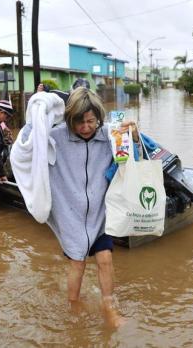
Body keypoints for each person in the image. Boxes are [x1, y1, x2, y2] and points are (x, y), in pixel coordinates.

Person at [45, 87, 135, 327]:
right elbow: (26, 148)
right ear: (69, 120)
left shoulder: (110, 134)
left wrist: (132, 136)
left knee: (105, 258)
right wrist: (39, 110)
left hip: (100, 212)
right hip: (70, 214)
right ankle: (73, 304)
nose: (85, 128)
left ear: (99, 118)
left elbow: (130, 157)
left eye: (91, 121)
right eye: (79, 122)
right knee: (78, 262)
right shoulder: (55, 137)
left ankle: (109, 307)